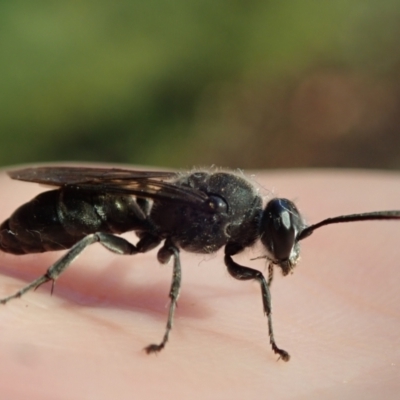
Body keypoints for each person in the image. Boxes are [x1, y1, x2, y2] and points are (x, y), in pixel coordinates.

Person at [0, 167, 398, 399]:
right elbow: (170, 248)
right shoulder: (224, 210)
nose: (286, 252)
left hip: (129, 212)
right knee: (101, 236)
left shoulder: (238, 220)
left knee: (232, 268)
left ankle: (271, 339)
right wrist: (168, 330)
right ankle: (25, 289)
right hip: (77, 212)